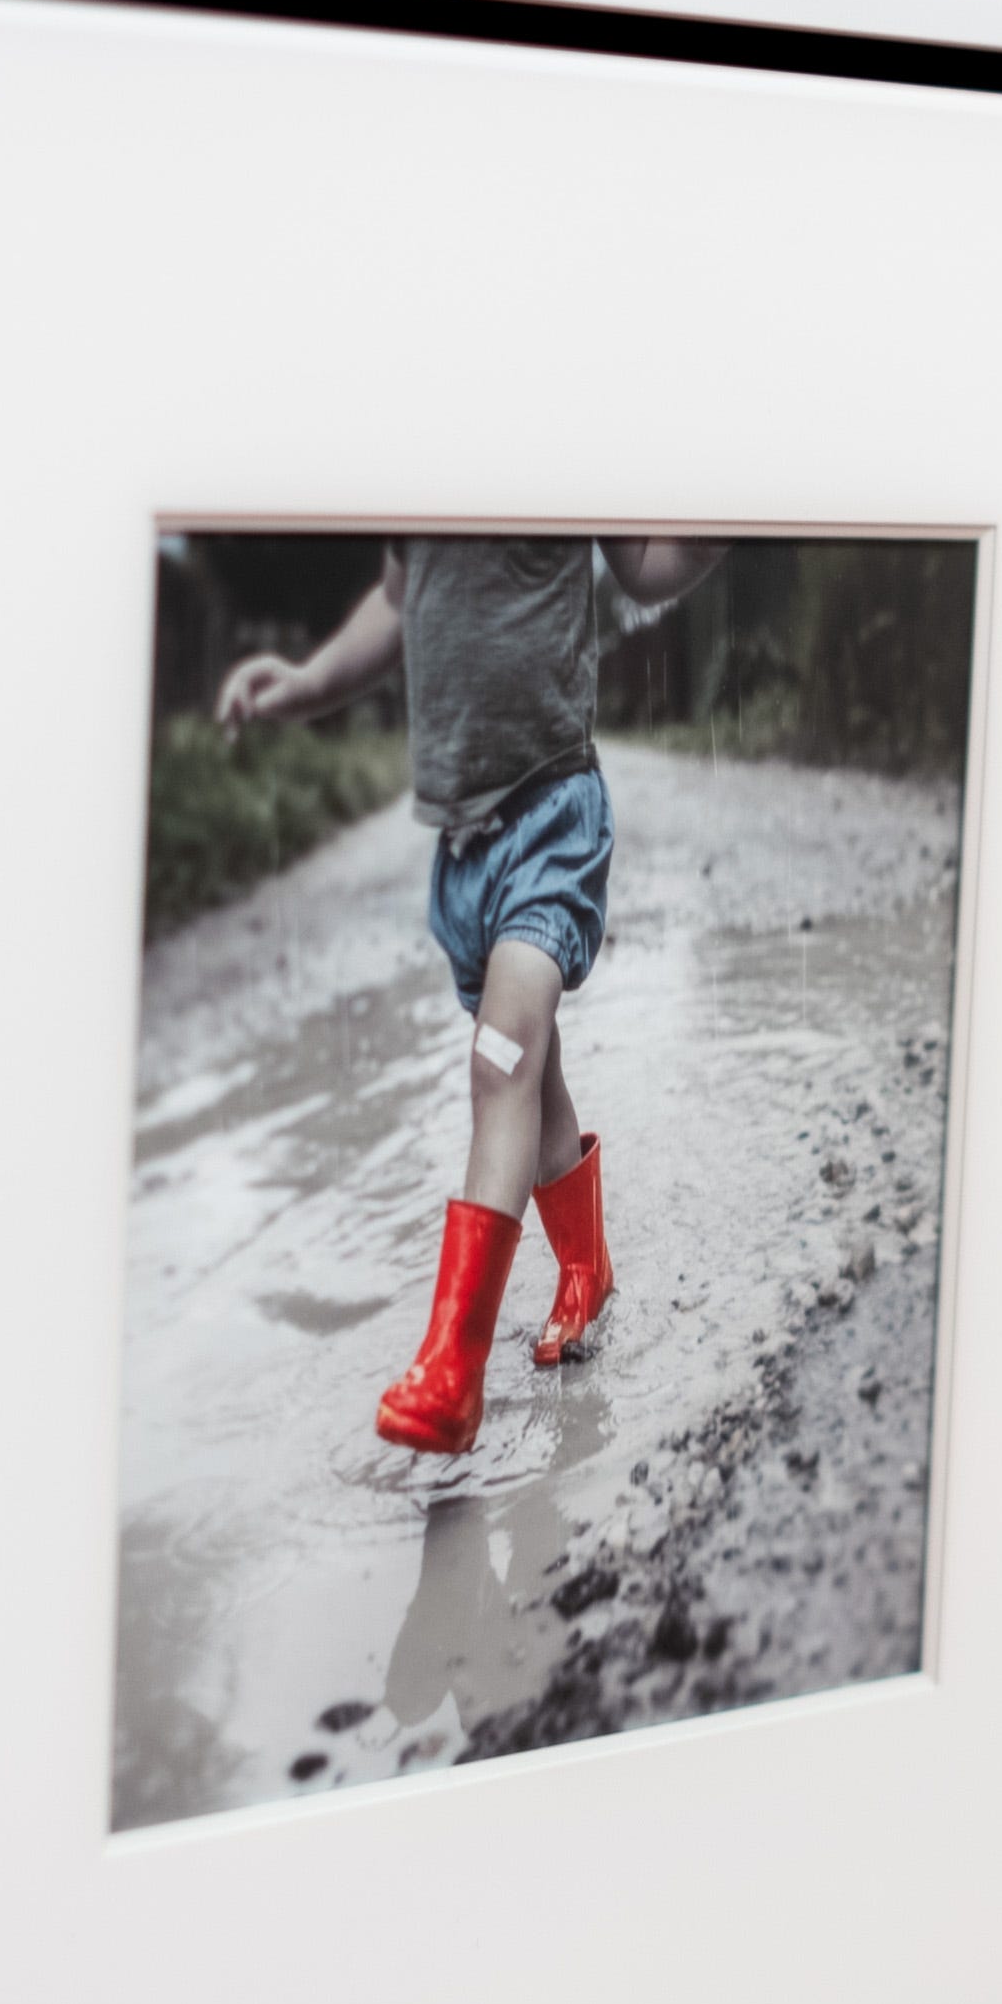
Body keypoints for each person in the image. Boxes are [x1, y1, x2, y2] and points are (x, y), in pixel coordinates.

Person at [218, 535, 723, 1453]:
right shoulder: (426, 474)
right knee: (534, 1075)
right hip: (461, 851)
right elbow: (397, 597)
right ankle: (586, 1270)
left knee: (500, 1063)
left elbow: (647, 564)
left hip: (549, 817)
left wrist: (720, 522)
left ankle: (453, 1367)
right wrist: (304, 682)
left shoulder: (560, 456)